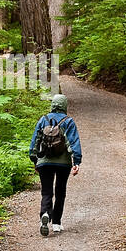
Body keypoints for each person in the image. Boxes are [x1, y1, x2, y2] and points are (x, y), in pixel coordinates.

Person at [28, 93, 82, 237]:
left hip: (44, 162)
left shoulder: (43, 120)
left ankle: (45, 214)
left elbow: (35, 142)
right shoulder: (68, 121)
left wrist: (35, 160)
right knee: (60, 192)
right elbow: (74, 142)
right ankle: (57, 223)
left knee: (46, 192)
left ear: (52, 105)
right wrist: (76, 161)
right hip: (63, 163)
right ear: (65, 106)